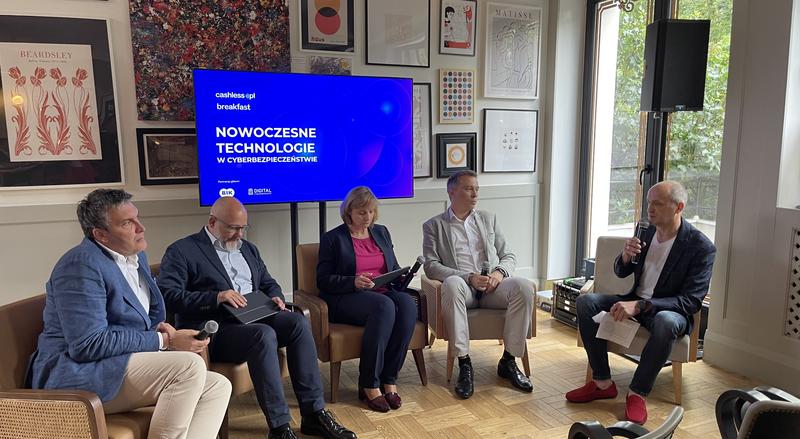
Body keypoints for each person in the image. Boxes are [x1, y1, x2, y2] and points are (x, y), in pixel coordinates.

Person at [29, 189, 231, 439]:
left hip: (117, 362)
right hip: (76, 374)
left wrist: (159, 330)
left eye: (137, 218)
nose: (140, 227)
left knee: (217, 386)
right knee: (188, 367)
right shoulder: (80, 265)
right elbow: (87, 344)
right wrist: (165, 340)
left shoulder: (135, 256)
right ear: (100, 234)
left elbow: (133, 317)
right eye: (127, 223)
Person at [157, 196, 356, 439]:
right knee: (263, 335)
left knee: (297, 322)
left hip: (254, 316)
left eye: (243, 228)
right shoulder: (182, 250)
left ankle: (313, 414)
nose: (240, 235)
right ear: (212, 222)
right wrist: (216, 297)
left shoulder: (249, 249)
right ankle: (279, 427)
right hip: (217, 328)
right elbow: (169, 296)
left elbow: (269, 283)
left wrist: (276, 298)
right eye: (233, 228)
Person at [566, 180, 716, 424]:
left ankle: (637, 393)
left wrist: (640, 306)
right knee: (586, 303)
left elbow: (690, 301)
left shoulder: (701, 247)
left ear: (679, 207)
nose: (650, 209)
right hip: (634, 299)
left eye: (657, 203)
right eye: (648, 203)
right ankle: (602, 383)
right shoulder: (645, 230)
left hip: (668, 310)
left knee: (666, 322)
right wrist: (625, 257)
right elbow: (622, 271)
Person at [422, 170, 536, 399]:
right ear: (452, 192)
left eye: (476, 189)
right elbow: (431, 266)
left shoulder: (488, 218)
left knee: (524, 287)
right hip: (463, 288)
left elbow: (508, 255)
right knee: (452, 284)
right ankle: (464, 363)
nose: (475, 194)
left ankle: (508, 360)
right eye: (468, 189)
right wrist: (468, 277)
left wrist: (499, 273)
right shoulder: (434, 225)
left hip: (493, 288)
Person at [316, 186, 418, 413]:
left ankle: (389, 379)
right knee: (385, 306)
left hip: (380, 292)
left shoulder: (381, 232)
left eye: (371, 211)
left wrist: (401, 275)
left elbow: (391, 266)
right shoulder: (333, 238)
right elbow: (323, 280)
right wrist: (353, 281)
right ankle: (369, 384)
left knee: (408, 305)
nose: (368, 217)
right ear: (349, 212)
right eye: (362, 212)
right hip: (345, 297)